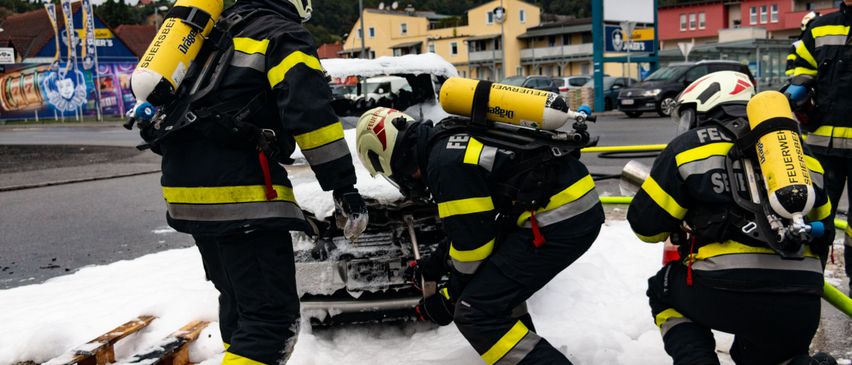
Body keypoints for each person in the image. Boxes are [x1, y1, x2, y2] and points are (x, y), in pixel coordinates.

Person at [149, 0, 368, 363]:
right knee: (270, 323)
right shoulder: (281, 34)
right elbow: (311, 116)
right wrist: (343, 185)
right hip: (242, 195)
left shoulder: (213, 32)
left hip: (186, 192)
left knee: (240, 306)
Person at [355, 106, 605, 364]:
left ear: (394, 160)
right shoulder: (445, 139)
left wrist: (449, 299)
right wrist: (434, 265)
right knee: (494, 296)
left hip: (560, 218)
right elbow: (474, 227)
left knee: (475, 312)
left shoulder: (443, 167)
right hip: (568, 204)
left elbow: (473, 249)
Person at [628, 71, 835, 365]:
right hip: (803, 299)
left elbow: (646, 227)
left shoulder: (688, 147)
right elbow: (825, 233)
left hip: (724, 290)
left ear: (705, 105)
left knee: (662, 291)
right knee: (759, 356)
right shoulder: (800, 156)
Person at [789, 0, 852, 295]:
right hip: (820, 147)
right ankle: (810, 281)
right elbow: (800, 71)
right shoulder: (820, 28)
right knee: (814, 217)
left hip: (825, 144)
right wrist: (799, 98)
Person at [785, 11, 820, 78]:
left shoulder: (824, 42)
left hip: (821, 78)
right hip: (803, 78)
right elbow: (790, 67)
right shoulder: (796, 45)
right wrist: (792, 78)